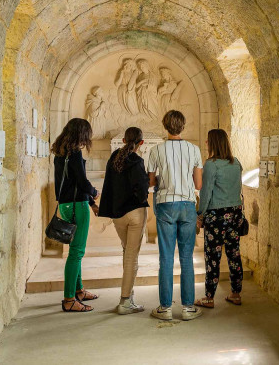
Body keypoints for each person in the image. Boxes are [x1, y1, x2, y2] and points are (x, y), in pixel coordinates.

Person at [146, 110, 203, 321]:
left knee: (166, 258)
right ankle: (188, 308)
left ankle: (165, 308)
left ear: (165, 125)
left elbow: (151, 182)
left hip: (165, 204)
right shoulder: (194, 149)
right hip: (187, 204)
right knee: (187, 258)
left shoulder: (156, 150)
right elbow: (198, 184)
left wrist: (164, 180)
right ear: (183, 126)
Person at [99, 127, 150, 315]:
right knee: (131, 256)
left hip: (117, 215)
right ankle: (125, 300)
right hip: (135, 213)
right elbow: (142, 190)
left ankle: (129, 295)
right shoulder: (137, 161)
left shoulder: (114, 158)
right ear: (141, 143)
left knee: (126, 251)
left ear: (122, 140)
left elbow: (110, 185)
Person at [50, 118, 100, 312]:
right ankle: (69, 299)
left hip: (65, 205)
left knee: (75, 251)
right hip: (77, 206)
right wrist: (94, 193)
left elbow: (73, 184)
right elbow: (83, 183)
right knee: (77, 252)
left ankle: (78, 290)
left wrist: (91, 203)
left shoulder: (60, 153)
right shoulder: (75, 154)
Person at [194, 129, 244, 308]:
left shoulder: (211, 164)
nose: (206, 144)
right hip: (235, 213)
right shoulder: (236, 162)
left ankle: (209, 297)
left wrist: (200, 214)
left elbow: (206, 193)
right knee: (234, 254)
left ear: (212, 143)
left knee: (213, 256)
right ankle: (236, 293)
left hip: (217, 216)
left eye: (208, 141)